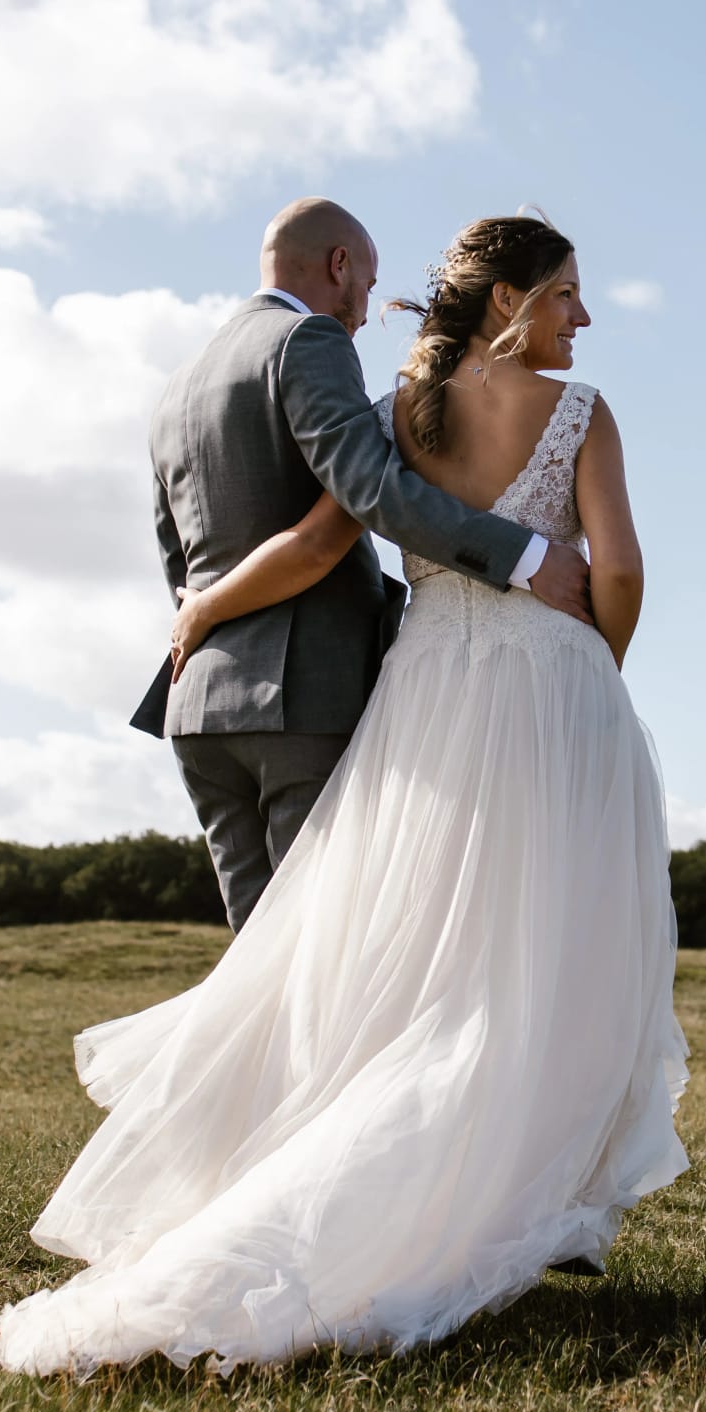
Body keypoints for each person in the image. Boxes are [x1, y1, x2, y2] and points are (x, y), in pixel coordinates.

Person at [0, 213, 687, 1376]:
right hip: (548, 690)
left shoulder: (400, 414)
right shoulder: (581, 413)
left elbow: (319, 542)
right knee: (541, 957)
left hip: (422, 695)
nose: (582, 316)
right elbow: (615, 569)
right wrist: (595, 671)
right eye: (567, 292)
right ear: (511, 297)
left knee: (403, 956)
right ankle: (498, 1202)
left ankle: (364, 1186)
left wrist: (203, 605)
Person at [123, 197, 594, 931]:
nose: (365, 306)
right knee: (318, 951)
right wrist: (526, 556)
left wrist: (206, 623)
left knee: (255, 958)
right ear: (338, 265)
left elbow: (179, 562)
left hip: (199, 709)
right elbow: (370, 491)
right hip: (302, 697)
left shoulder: (179, 384)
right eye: (367, 285)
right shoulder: (306, 339)